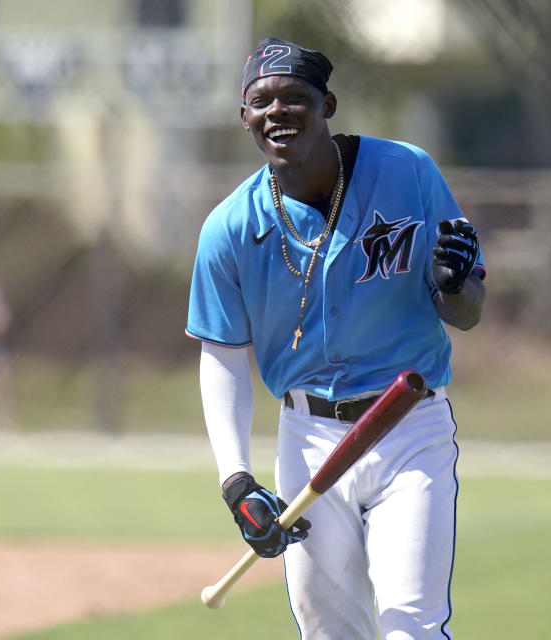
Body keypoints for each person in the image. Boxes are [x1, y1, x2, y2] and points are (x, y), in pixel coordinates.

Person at [186, 36, 486, 639]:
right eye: (261, 101)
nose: (278, 111)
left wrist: (456, 286)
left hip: (409, 428)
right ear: (243, 116)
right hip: (308, 437)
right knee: (331, 633)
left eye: (295, 96)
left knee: (412, 627)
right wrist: (237, 481)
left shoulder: (408, 171)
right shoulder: (228, 228)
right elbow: (220, 356)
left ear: (328, 104)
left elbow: (468, 310)